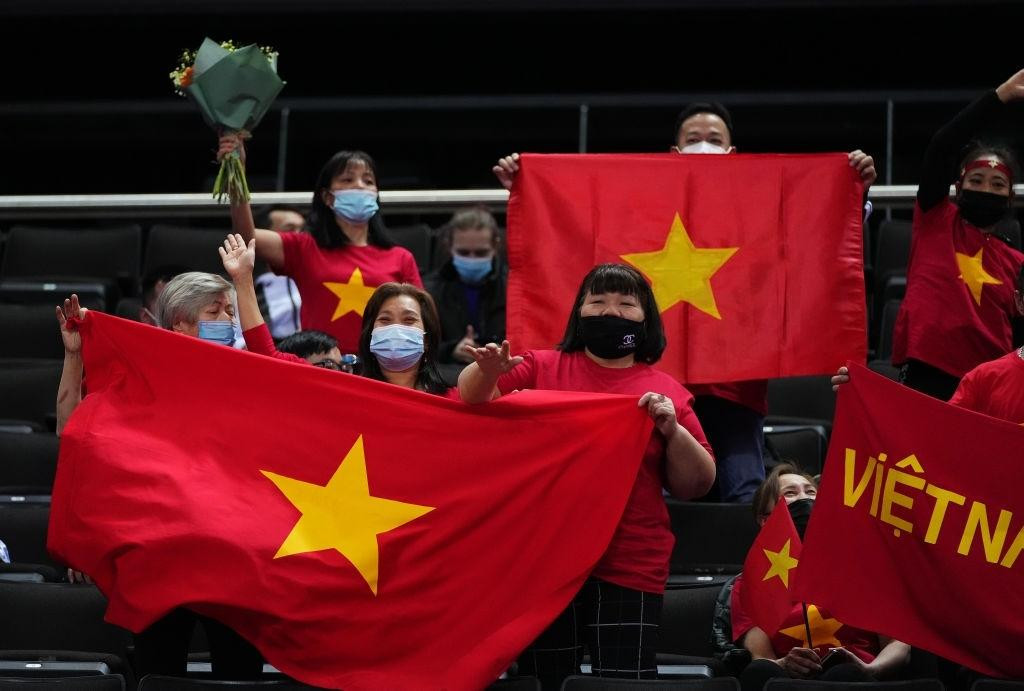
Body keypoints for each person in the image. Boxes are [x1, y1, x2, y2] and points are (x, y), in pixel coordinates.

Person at [492, 104, 876, 504]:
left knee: (746, 493)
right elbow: (578, 242)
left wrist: (849, 193)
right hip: (646, 389)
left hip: (736, 388)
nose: (704, 146)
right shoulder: (641, 203)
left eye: (714, 140)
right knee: (636, 495)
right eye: (693, 140)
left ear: (733, 152)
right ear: (673, 151)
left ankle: (762, 570)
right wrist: (528, 190)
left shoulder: (756, 210)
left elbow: (806, 250)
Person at [458, 263, 715, 688]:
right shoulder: (541, 367)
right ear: (579, 312)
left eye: (625, 304)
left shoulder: (667, 390)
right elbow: (472, 398)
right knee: (548, 681)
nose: (610, 311)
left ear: (646, 319)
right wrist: (487, 369)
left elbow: (696, 484)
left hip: (630, 563)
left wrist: (672, 430)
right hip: (546, 561)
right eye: (597, 301)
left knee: (624, 682)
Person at [55, 278, 264, 681]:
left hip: (233, 558)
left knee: (240, 675)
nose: (228, 320)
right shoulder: (137, 376)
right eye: (215, 311)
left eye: (230, 312)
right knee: (160, 673)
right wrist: (74, 358)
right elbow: (72, 432)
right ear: (180, 324)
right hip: (160, 556)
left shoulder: (248, 374)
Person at [217, 134, 422, 356]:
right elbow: (246, 238)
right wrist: (236, 172)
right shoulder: (304, 247)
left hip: (379, 369)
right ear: (328, 197)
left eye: (368, 181)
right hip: (320, 365)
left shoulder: (401, 257)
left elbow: (420, 319)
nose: (360, 186)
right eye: (347, 180)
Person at [892, 68, 1024, 401]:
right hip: (926, 374)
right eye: (976, 181)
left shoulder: (1017, 262)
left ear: (1009, 198)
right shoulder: (935, 218)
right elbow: (942, 145)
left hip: (988, 387)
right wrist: (999, 98)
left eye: (997, 185)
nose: (985, 188)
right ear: (957, 187)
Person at [732, 464, 910, 691]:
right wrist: (784, 664)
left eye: (811, 492)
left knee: (844, 673)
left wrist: (870, 669)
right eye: (790, 493)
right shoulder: (751, 582)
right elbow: (760, 657)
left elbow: (898, 646)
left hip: (857, 678)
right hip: (789, 683)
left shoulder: (866, 568)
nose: (804, 498)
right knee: (758, 672)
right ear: (764, 520)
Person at [221, 233, 450, 395]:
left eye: (409, 320)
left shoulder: (455, 401)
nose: (396, 328)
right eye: (385, 320)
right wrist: (243, 281)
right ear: (370, 336)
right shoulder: (344, 391)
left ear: (427, 338)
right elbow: (266, 354)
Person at [424, 206, 507, 385]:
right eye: (463, 253)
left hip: (502, 376)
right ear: (449, 247)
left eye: (480, 253)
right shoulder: (428, 290)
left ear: (496, 246)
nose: (472, 258)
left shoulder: (515, 289)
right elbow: (419, 347)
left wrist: (500, 352)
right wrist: (452, 349)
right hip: (446, 378)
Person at [251, 204, 305, 339]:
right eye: (290, 230)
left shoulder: (326, 278)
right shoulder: (247, 293)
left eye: (303, 230)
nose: (300, 237)